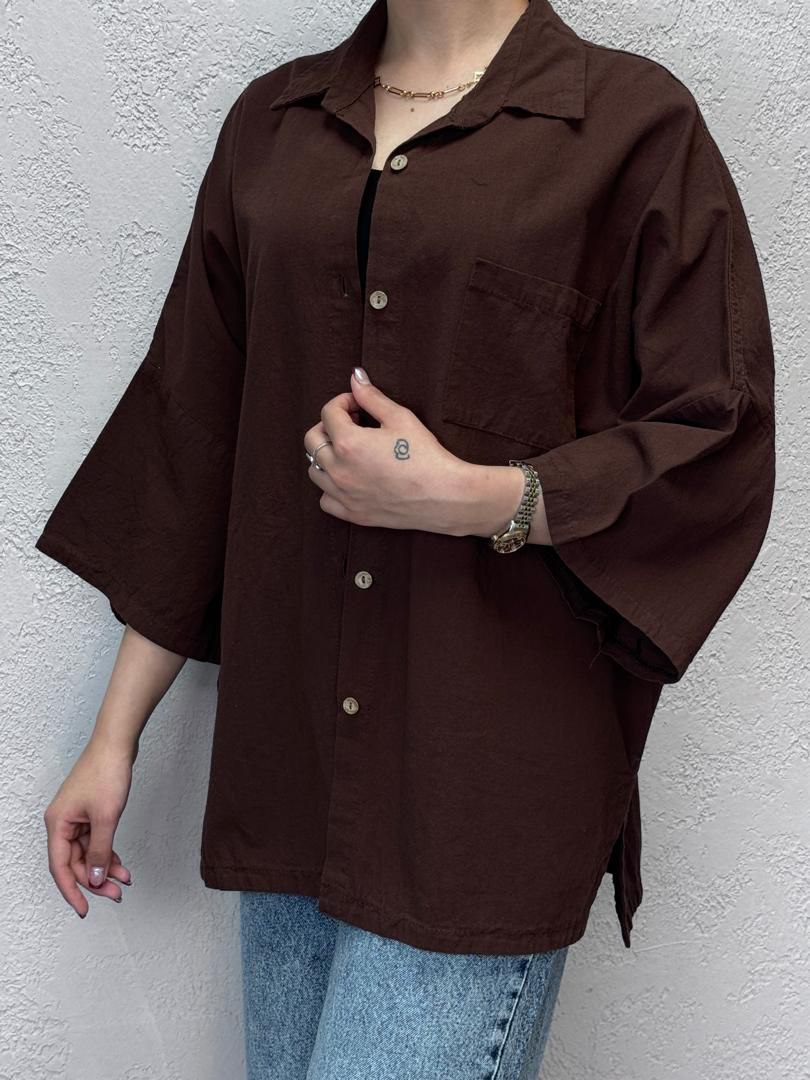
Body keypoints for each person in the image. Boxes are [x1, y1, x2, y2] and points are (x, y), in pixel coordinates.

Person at [36, 0, 776, 1076]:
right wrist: (113, 741)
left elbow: (715, 433)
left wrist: (481, 497)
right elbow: (193, 441)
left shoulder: (633, 126)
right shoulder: (273, 126)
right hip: (291, 775)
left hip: (479, 793)